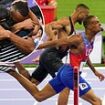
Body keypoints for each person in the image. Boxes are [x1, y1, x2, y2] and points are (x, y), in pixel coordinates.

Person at [7, 15, 105, 105]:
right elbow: (56, 42)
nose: (100, 24)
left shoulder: (91, 39)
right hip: (70, 74)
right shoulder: (77, 39)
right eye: (97, 22)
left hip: (65, 72)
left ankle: (11, 71)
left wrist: (95, 71)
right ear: (89, 26)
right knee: (97, 102)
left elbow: (85, 56)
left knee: (39, 96)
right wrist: (35, 47)